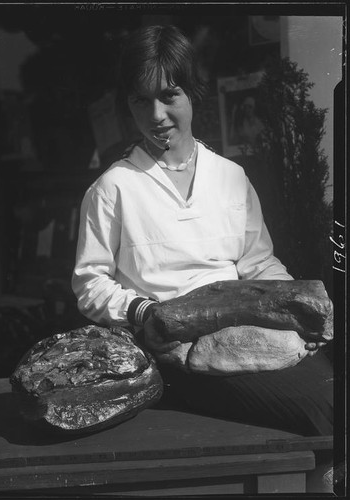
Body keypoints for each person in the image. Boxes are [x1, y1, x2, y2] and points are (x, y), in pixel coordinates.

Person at [72, 25, 333, 490]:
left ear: (193, 93)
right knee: (324, 406)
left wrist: (295, 310)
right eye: (140, 101)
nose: (157, 115)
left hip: (248, 333)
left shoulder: (231, 177)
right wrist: (143, 310)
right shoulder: (113, 189)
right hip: (175, 356)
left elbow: (259, 265)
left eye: (169, 96)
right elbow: (89, 283)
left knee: (334, 395)